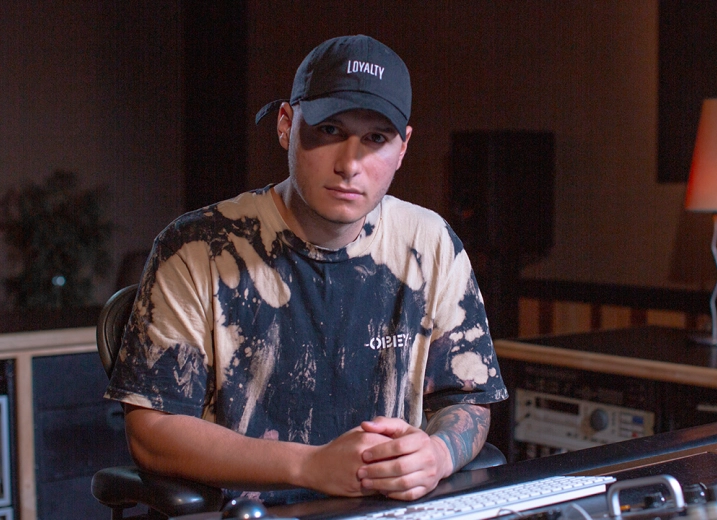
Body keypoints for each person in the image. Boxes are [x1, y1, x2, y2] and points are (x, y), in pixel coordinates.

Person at [105, 34, 508, 505]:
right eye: (330, 130)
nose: (350, 164)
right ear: (285, 125)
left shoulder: (430, 242)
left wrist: (438, 455)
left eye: (376, 138)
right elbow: (152, 432)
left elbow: (468, 400)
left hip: (389, 510)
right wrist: (308, 466)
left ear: (402, 149)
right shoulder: (197, 248)